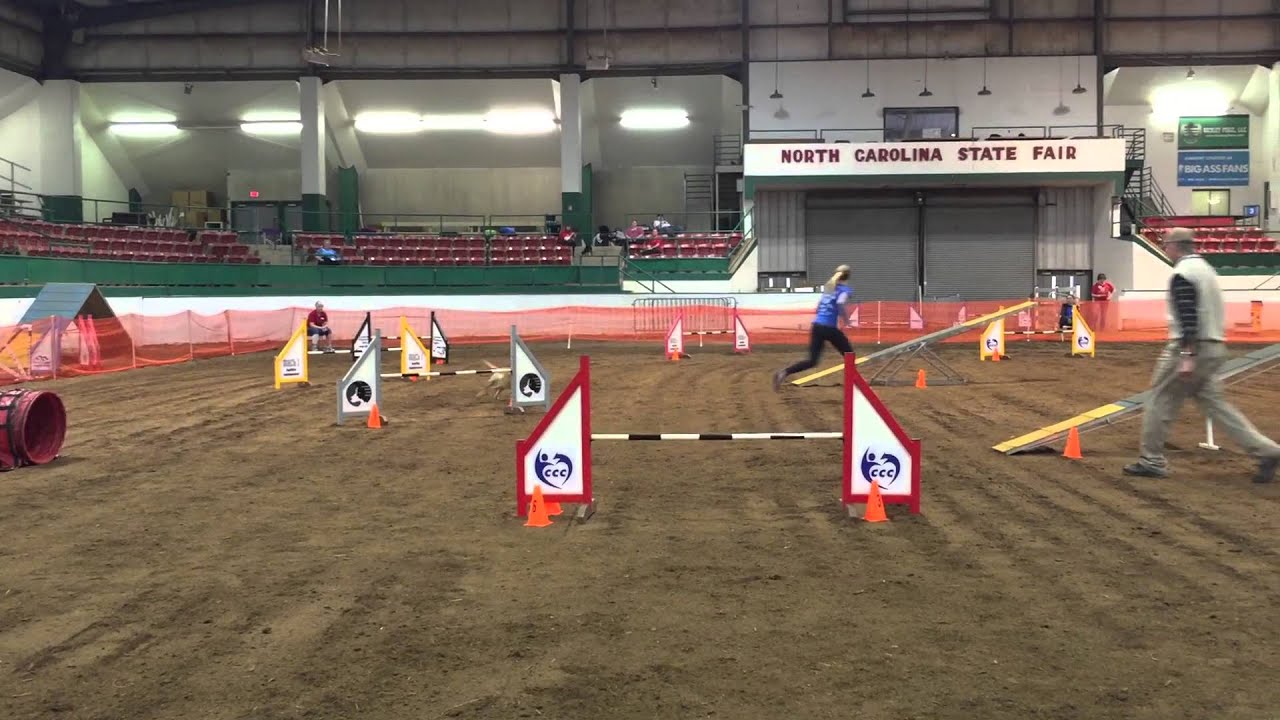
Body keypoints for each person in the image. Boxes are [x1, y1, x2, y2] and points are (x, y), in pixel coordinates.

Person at [1123, 228, 1279, 483]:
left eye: (1166, 245)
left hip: (1192, 347)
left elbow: (1188, 315)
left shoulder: (1182, 273)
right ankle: (1267, 451)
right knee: (1217, 406)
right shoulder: (1206, 269)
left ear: (1174, 246)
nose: (1165, 248)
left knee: (1159, 399)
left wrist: (1187, 354)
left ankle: (1151, 460)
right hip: (1215, 346)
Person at [772, 265, 855, 391]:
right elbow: (840, 303)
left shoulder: (828, 288)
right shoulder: (845, 290)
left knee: (812, 360)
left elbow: (818, 307)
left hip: (817, 326)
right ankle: (853, 383)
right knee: (849, 354)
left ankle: (784, 372)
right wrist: (847, 320)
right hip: (829, 328)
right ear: (848, 276)